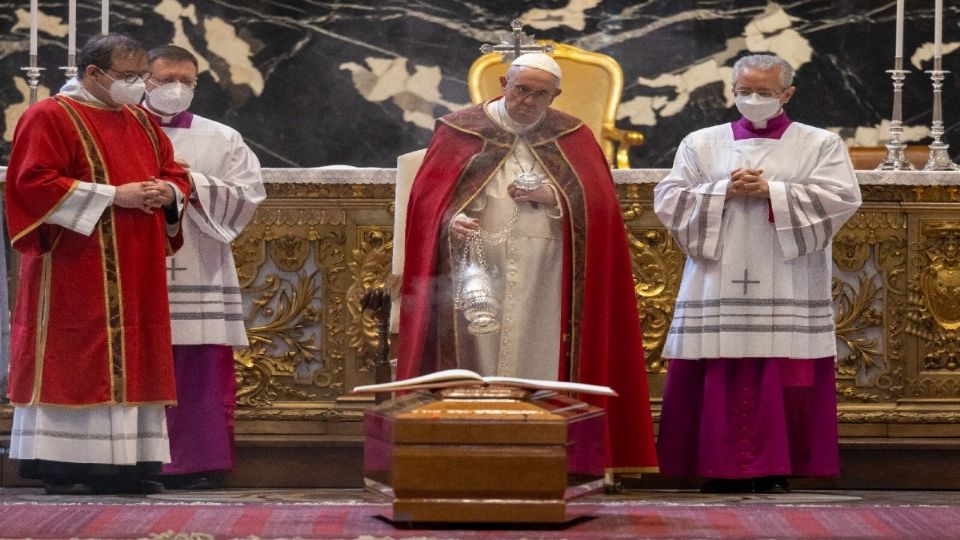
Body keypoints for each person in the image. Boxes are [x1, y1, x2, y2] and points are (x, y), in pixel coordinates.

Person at [395, 52, 658, 477]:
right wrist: (449, 220)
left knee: (543, 353)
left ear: (555, 95)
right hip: (476, 270)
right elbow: (428, 203)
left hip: (549, 272)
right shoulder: (460, 130)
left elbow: (600, 206)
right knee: (476, 359)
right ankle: (470, 455)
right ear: (503, 83)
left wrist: (553, 198)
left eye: (541, 94)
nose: (529, 101)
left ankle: (551, 456)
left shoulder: (573, 134)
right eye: (521, 89)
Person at [653, 54, 862, 494]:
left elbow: (842, 197)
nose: (753, 100)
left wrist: (773, 190)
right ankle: (712, 465)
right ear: (732, 91)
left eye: (764, 93)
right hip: (717, 273)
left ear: (787, 93)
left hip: (785, 275)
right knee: (717, 366)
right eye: (744, 91)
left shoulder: (820, 144)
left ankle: (777, 467)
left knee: (781, 368)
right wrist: (721, 190)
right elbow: (669, 197)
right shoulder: (701, 142)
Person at [4, 34, 190, 495]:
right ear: (92, 74)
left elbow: (172, 169)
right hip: (75, 261)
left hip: (137, 263)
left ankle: (130, 463)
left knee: (135, 353)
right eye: (126, 77)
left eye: (138, 77)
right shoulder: (49, 115)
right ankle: (64, 465)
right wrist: (113, 195)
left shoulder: (141, 120)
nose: (136, 86)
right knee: (76, 355)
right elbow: (32, 182)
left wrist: (168, 192)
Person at [141, 45, 266, 489]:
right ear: (143, 79)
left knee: (198, 366)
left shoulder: (222, 137)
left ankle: (195, 461)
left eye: (187, 81)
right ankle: (135, 462)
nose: (176, 89)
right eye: (165, 78)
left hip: (200, 262)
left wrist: (188, 184)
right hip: (136, 265)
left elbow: (249, 194)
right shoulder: (117, 130)